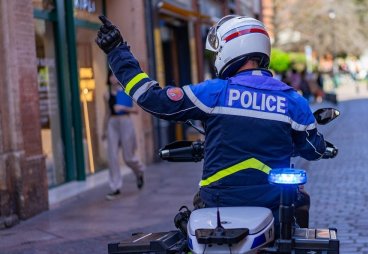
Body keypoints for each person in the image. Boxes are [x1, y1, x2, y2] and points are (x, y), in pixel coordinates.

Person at [96, 15, 326, 228]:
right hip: (273, 204)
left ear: (229, 50)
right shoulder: (293, 100)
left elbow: (153, 99)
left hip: (218, 202)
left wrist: (117, 52)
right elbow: (314, 149)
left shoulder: (215, 92)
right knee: (298, 215)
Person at [102, 70, 145, 200]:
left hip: (126, 122)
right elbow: (107, 113)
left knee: (128, 157)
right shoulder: (106, 94)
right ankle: (115, 187)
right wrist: (103, 130)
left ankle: (139, 170)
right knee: (112, 156)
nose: (113, 78)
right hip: (112, 124)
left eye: (115, 75)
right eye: (111, 75)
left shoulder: (127, 91)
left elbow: (136, 111)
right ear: (108, 78)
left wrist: (122, 108)